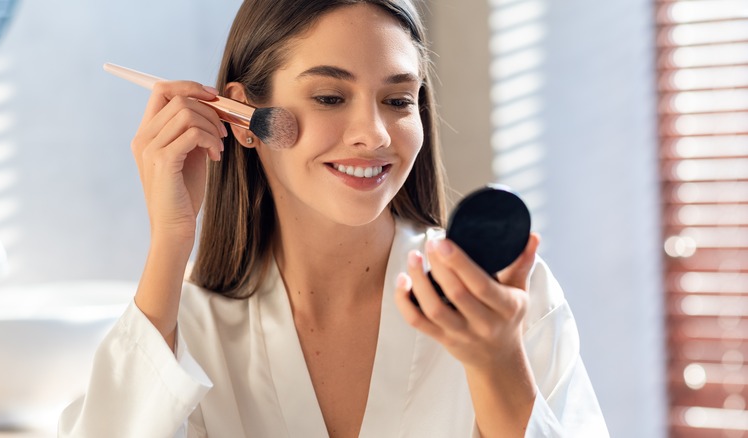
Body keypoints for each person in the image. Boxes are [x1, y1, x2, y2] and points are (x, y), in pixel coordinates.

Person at [59, 0, 609, 436]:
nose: (373, 134)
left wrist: (497, 366)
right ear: (243, 116)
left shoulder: (504, 300)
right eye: (328, 97)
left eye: (398, 100)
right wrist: (171, 242)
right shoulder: (188, 333)